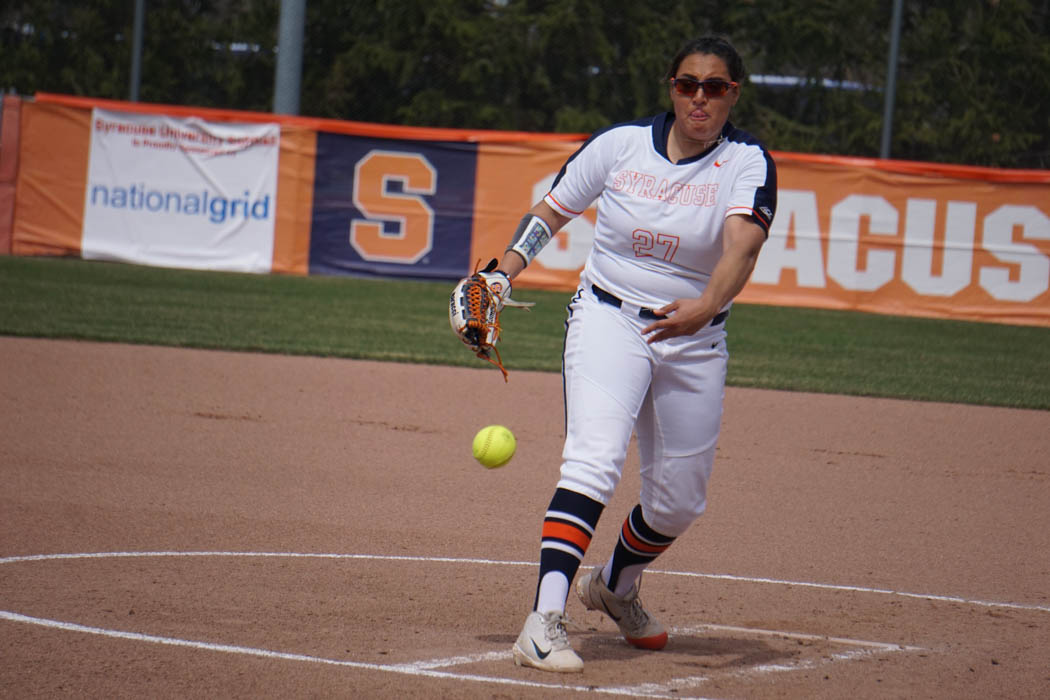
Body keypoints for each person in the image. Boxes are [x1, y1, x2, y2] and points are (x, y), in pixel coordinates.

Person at [492, 34, 777, 672]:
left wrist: (706, 304)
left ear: (733, 94)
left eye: (715, 87)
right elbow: (551, 211)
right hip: (609, 318)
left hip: (695, 336)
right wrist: (502, 272)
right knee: (593, 461)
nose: (699, 97)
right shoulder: (619, 146)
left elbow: (742, 247)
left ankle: (615, 587)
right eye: (687, 84)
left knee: (679, 502)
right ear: (671, 88)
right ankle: (542, 621)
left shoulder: (747, 161)